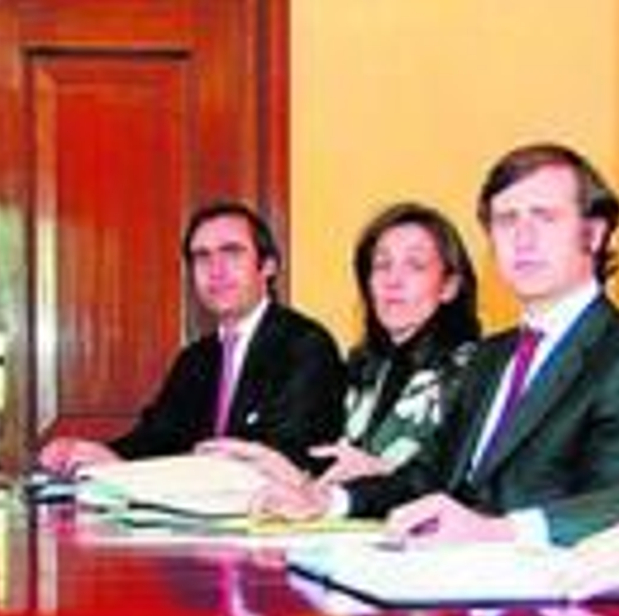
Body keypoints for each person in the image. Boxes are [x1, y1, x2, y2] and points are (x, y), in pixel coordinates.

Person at [249, 143, 619, 544]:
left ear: (593, 234)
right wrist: (328, 501)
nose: (523, 238)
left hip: (552, 585)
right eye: (506, 220)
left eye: (545, 217)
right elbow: (427, 477)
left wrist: (497, 532)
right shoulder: (490, 356)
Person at [38, 201, 346, 475]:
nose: (216, 270)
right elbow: (156, 438)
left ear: (268, 266)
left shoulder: (305, 345)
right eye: (202, 257)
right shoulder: (195, 359)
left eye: (231, 253)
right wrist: (94, 454)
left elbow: (284, 452)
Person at [204, 202, 481, 485]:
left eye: (415, 265)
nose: (393, 280)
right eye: (381, 265)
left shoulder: (476, 371)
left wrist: (383, 473)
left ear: (449, 286)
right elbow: (333, 477)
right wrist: (288, 472)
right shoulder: (362, 367)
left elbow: (471, 487)